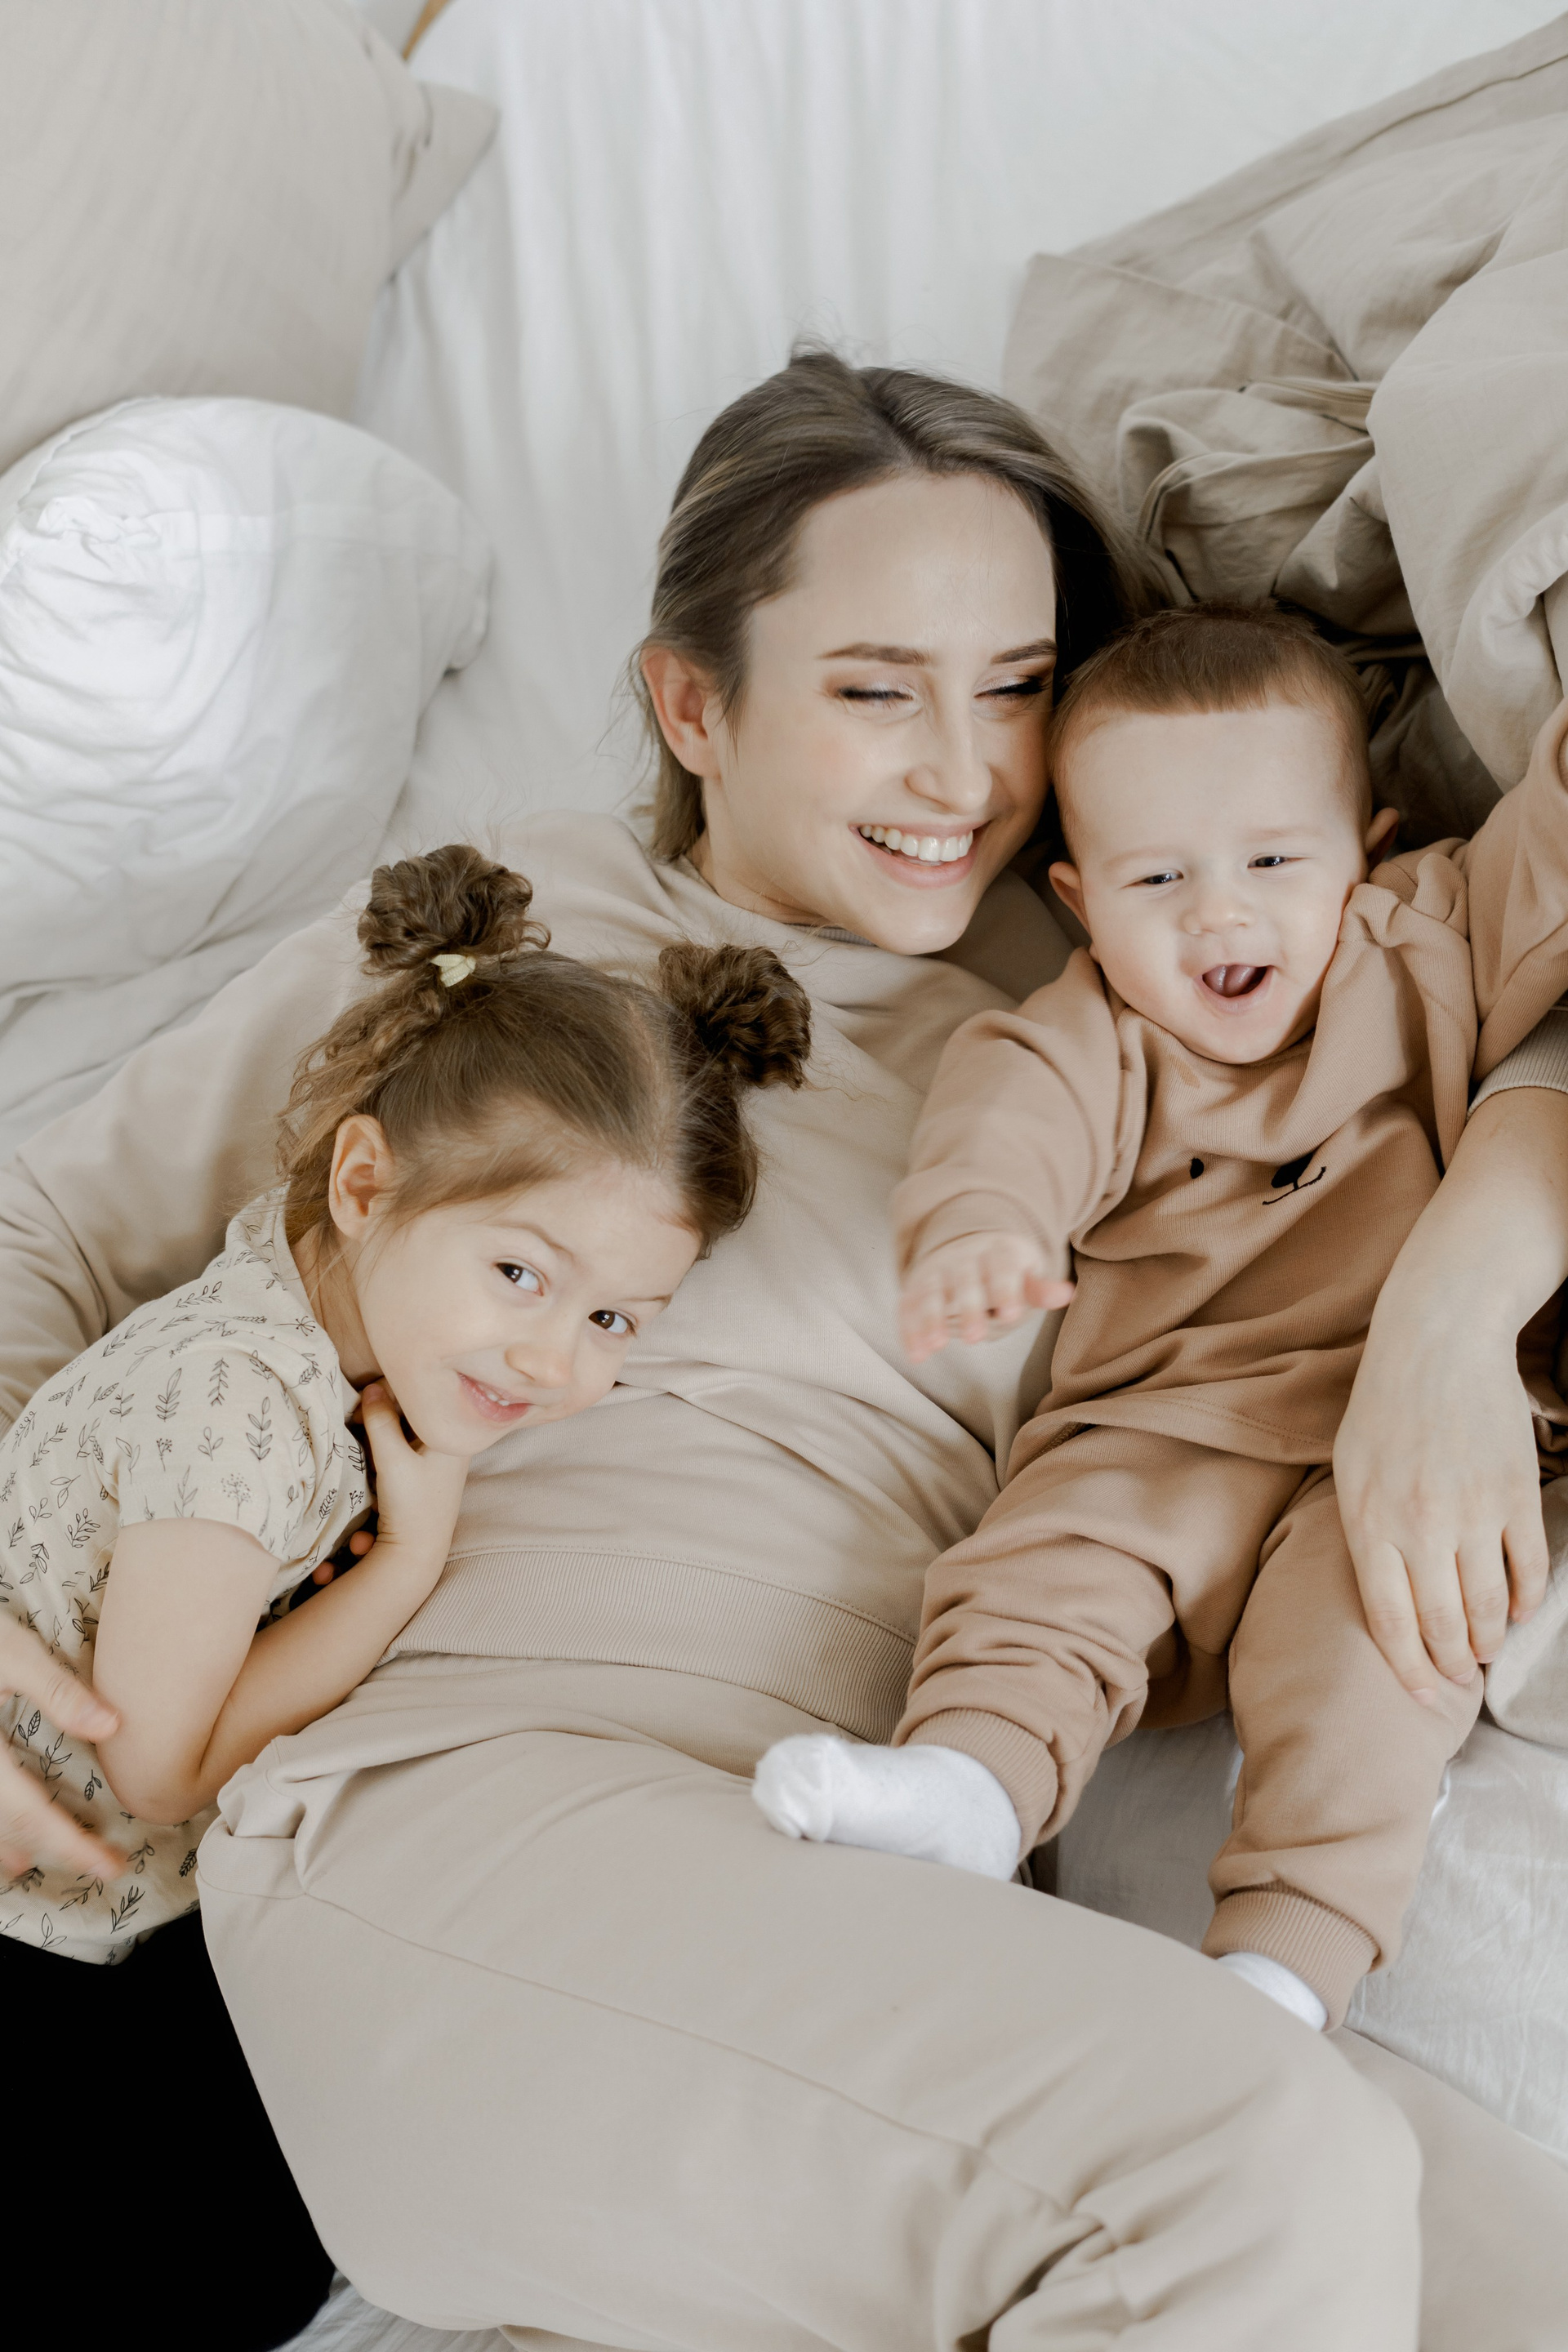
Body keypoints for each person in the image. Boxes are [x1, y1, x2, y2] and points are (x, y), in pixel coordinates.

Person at [2, 353, 1566, 2350]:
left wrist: (1456, 1301)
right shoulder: (510, 941)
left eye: (1016, 687)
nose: (964, 771)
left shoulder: (1158, 976)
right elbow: (42, 1231)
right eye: (876, 691)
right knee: (1260, 2163)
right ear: (693, 707)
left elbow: (1488, 999)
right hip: (465, 1810)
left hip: (871, 1882)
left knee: (1506, 2273)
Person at [0, 840, 808, 2347]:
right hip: (45, 1890)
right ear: (365, 1180)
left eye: (617, 1318)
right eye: (521, 1275)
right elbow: (155, 1764)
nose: (557, 1363)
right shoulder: (239, 1414)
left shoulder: (312, 1297)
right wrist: (406, 1569)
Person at [751, 603, 1568, 2037]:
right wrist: (985, 1231)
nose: (1219, 913)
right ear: (1080, 901)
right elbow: (1008, 1127)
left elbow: (1547, 861)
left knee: (1384, 1655)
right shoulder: (1091, 1033)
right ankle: (972, 1785)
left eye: (1274, 861)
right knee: (1043, 1573)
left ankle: (1282, 1967)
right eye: (1159, 877)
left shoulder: (1426, 934)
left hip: (1386, 1454)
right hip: (1160, 1427)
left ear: (1368, 848)